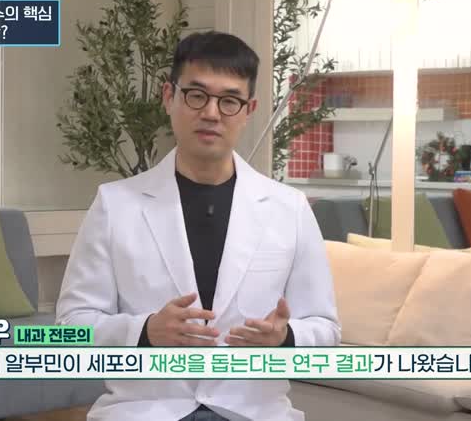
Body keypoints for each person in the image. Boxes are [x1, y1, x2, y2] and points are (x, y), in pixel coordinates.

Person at [56, 31, 340, 421]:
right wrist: (144, 332)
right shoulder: (115, 204)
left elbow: (325, 330)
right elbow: (69, 328)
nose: (211, 113)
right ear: (168, 96)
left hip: (254, 412)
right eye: (196, 95)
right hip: (145, 411)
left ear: (248, 110)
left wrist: (285, 338)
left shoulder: (288, 208)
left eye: (229, 101)